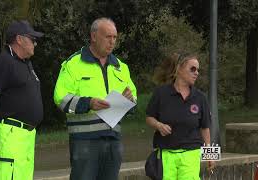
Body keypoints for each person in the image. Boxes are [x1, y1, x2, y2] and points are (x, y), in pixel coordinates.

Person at [53, 17, 137, 180]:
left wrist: (129, 100)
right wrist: (88, 103)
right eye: (108, 37)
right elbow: (60, 98)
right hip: (85, 141)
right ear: (93, 36)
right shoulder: (73, 64)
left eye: (114, 37)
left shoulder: (120, 67)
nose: (112, 42)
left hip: (113, 140)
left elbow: (133, 97)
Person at [0, 20, 44, 180]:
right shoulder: (4, 61)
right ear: (19, 39)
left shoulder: (26, 63)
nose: (35, 44)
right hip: (11, 134)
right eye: (32, 39)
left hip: (27, 136)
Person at [145, 52, 214, 180]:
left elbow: (205, 128)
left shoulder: (200, 97)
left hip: (191, 153)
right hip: (166, 154)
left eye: (198, 70)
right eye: (192, 69)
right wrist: (158, 125)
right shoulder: (161, 93)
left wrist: (210, 156)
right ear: (179, 69)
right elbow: (149, 118)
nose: (196, 73)